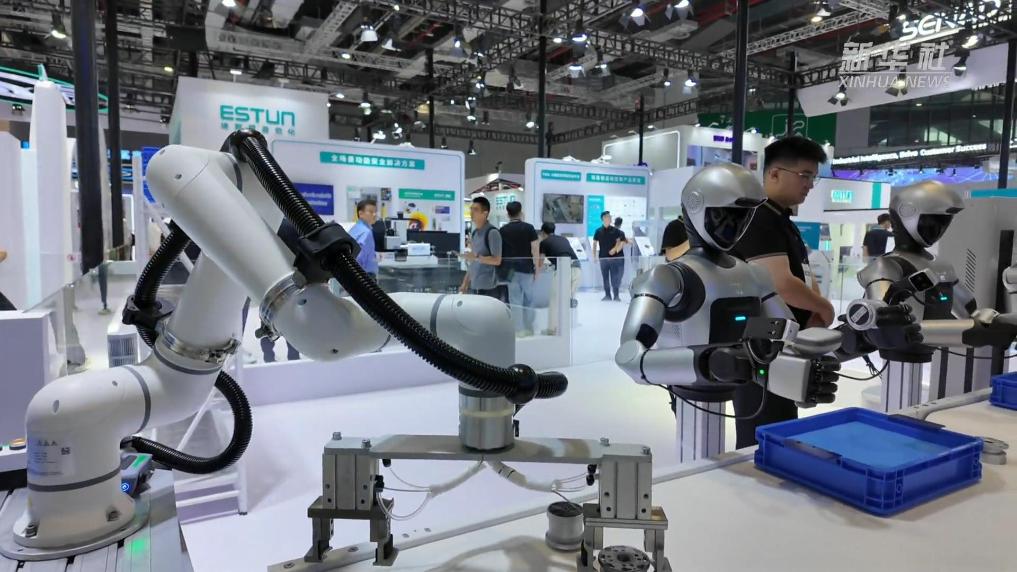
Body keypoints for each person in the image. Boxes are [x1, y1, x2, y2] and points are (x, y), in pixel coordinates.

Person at [729, 135, 836, 448]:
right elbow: (779, 282)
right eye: (804, 175)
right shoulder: (759, 218)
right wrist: (825, 308)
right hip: (762, 346)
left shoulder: (782, 219)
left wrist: (814, 308)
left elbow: (801, 273)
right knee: (763, 435)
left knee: (781, 426)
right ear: (774, 173)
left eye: (813, 177)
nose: (810, 185)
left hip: (783, 344)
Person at [500, 201, 541, 335]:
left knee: (514, 300)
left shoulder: (503, 230)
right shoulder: (529, 228)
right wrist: (537, 268)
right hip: (526, 268)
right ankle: (529, 327)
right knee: (529, 298)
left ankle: (518, 329)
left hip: (510, 270)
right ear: (521, 212)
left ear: (508, 214)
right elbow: (535, 249)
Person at [459, 197, 505, 300]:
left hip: (489, 288)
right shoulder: (475, 233)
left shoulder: (492, 233)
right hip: (475, 286)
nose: (471, 212)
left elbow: (497, 260)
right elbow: (473, 262)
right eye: (471, 209)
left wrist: (476, 258)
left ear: (485, 213)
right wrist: (465, 283)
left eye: (475, 210)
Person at [538, 222, 580, 335]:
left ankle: (552, 329)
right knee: (566, 300)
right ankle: (565, 328)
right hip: (577, 268)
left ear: (543, 233)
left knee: (555, 300)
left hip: (563, 270)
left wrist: (537, 269)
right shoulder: (563, 239)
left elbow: (540, 261)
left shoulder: (544, 242)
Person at [593, 211, 626, 301]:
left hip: (614, 258)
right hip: (603, 258)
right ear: (603, 218)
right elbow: (595, 244)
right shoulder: (598, 231)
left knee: (614, 277)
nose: (610, 218)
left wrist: (615, 249)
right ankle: (607, 295)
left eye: (610, 216)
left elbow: (619, 241)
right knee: (605, 277)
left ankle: (616, 295)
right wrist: (594, 256)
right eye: (608, 216)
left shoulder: (615, 230)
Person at [349, 199, 380, 278]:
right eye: (371, 212)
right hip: (365, 276)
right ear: (361, 214)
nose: (374, 214)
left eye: (375, 211)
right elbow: (359, 257)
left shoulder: (354, 229)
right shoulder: (366, 232)